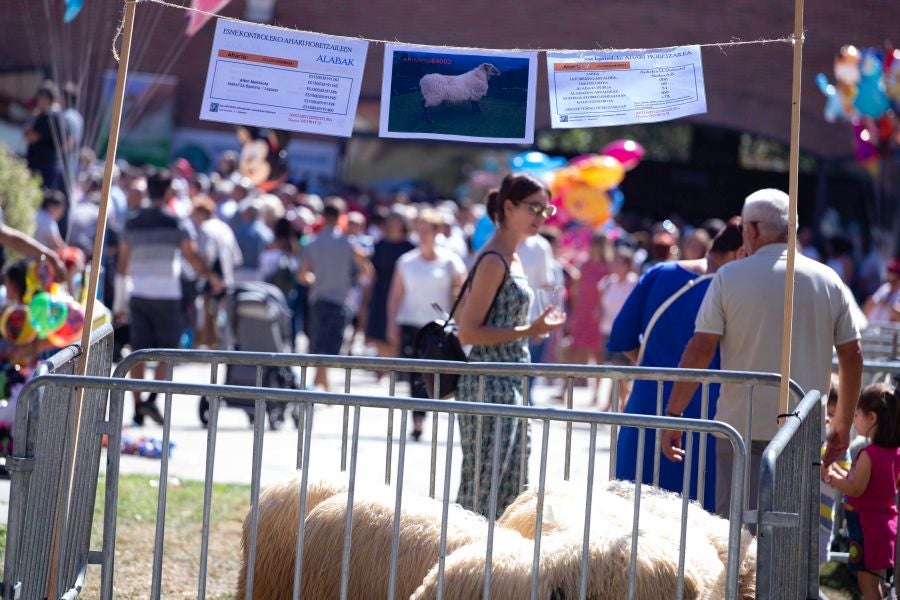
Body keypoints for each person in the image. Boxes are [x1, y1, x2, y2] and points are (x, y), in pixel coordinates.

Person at [661, 189, 864, 518]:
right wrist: (842, 425)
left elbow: (700, 348)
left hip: (740, 428)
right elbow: (852, 354)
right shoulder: (829, 279)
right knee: (791, 538)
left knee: (739, 534)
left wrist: (673, 415)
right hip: (802, 429)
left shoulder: (729, 276)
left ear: (752, 229)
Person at [606, 220, 744, 511]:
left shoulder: (659, 272)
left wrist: (656, 362)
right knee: (694, 528)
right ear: (741, 254)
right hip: (702, 418)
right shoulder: (731, 290)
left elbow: (621, 336)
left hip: (645, 406)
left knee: (630, 519)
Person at [456, 173, 565, 517]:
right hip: (489, 382)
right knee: (483, 486)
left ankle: (494, 564)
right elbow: (468, 331)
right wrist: (526, 329)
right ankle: (465, 558)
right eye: (534, 208)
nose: (540, 217)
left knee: (511, 485)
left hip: (510, 379)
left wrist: (533, 329)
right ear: (508, 206)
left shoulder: (512, 256)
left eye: (545, 210)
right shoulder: (494, 260)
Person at [116, 170, 224, 425]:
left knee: (137, 353)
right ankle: (153, 399)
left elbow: (122, 264)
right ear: (167, 193)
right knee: (166, 351)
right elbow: (192, 257)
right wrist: (211, 276)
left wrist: (120, 301)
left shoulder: (132, 222)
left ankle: (139, 405)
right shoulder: (177, 222)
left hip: (139, 293)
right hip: (167, 295)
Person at [386, 208, 466, 440]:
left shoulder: (451, 261)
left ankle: (433, 412)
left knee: (437, 374)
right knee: (416, 376)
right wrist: (391, 323)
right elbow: (396, 295)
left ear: (437, 232)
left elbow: (462, 292)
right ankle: (418, 419)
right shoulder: (406, 261)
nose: (422, 235)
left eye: (427, 230)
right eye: (419, 230)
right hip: (411, 323)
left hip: (438, 327)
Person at [823, 383, 900, 600]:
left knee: (867, 584)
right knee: (874, 582)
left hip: (868, 527)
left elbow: (855, 488)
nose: (853, 419)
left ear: (872, 418)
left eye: (856, 414)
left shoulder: (869, 454)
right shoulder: (894, 453)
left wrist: (828, 475)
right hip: (883, 525)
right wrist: (835, 468)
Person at [299, 197, 372, 391]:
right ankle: (322, 385)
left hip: (318, 298)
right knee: (329, 345)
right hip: (339, 299)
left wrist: (316, 281)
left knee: (319, 342)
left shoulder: (312, 242)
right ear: (341, 217)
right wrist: (351, 281)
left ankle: (319, 383)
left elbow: (302, 275)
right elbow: (367, 269)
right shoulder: (348, 243)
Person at [364, 209, 414, 359]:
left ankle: (392, 365)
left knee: (396, 331)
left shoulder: (410, 247)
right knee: (377, 331)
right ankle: (384, 366)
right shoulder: (380, 244)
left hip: (402, 294)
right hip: (380, 292)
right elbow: (372, 271)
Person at [24, 81, 66, 194]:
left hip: (42, 166)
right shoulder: (57, 114)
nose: (39, 101)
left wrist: (28, 126)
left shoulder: (48, 115)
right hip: (48, 164)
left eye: (41, 98)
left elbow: (32, 137)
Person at [863, 257, 900, 324]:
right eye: (889, 280)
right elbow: (870, 304)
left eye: (894, 281)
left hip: (890, 332)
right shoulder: (885, 287)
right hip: (873, 328)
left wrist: (887, 305)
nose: (891, 284)